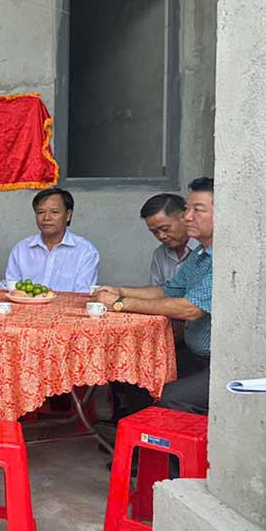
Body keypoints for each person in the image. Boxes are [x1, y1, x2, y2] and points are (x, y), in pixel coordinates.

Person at [95, 177, 214, 415]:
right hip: (195, 355)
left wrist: (120, 304)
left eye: (197, 210)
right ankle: (140, 443)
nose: (188, 216)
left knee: (172, 397)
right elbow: (168, 290)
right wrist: (120, 291)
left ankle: (175, 451)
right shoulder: (200, 254)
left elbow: (190, 309)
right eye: (187, 209)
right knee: (133, 371)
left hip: (220, 364)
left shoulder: (225, 256)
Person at [4, 187, 99, 293]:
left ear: (68, 215)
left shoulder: (85, 252)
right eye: (41, 212)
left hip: (67, 309)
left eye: (54, 212)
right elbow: (10, 287)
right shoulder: (21, 249)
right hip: (23, 308)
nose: (46, 218)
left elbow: (82, 295)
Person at [141, 193, 199, 286]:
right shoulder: (160, 254)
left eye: (165, 229)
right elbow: (155, 292)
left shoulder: (204, 249)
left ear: (184, 217)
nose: (161, 236)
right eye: (154, 232)